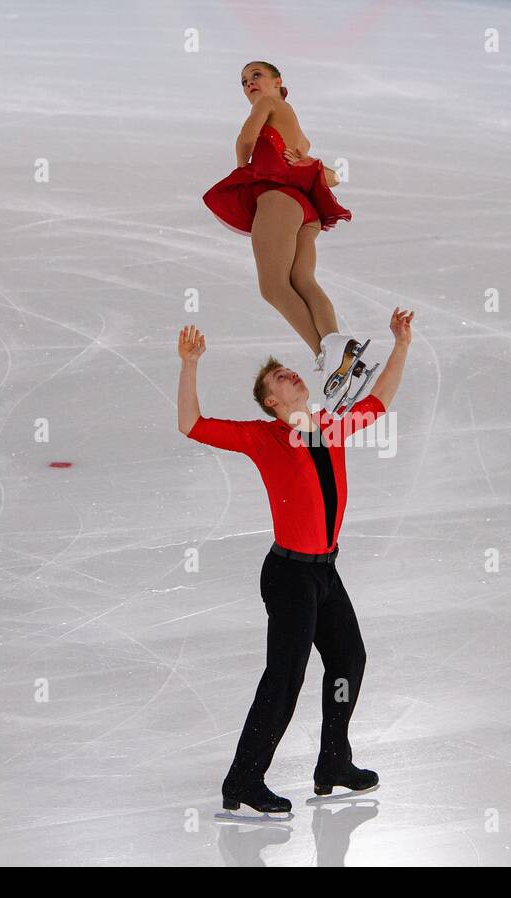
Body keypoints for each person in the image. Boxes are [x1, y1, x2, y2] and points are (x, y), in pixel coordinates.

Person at [177, 307, 415, 814]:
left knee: (349, 659)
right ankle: (243, 780)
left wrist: (401, 346)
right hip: (288, 576)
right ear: (271, 401)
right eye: (277, 377)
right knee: (285, 676)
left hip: (325, 571)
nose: (289, 373)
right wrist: (190, 364)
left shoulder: (330, 426)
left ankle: (333, 760)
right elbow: (191, 424)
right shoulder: (265, 439)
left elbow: (379, 400)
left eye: (289, 369)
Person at [202, 60, 362, 396]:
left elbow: (245, 138)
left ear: (278, 81)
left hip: (278, 201)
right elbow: (332, 177)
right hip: (306, 212)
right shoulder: (299, 133)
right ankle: (339, 358)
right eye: (244, 81)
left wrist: (241, 170)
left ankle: (329, 358)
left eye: (256, 76)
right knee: (302, 280)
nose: (249, 84)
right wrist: (310, 163)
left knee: (274, 287)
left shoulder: (269, 103)